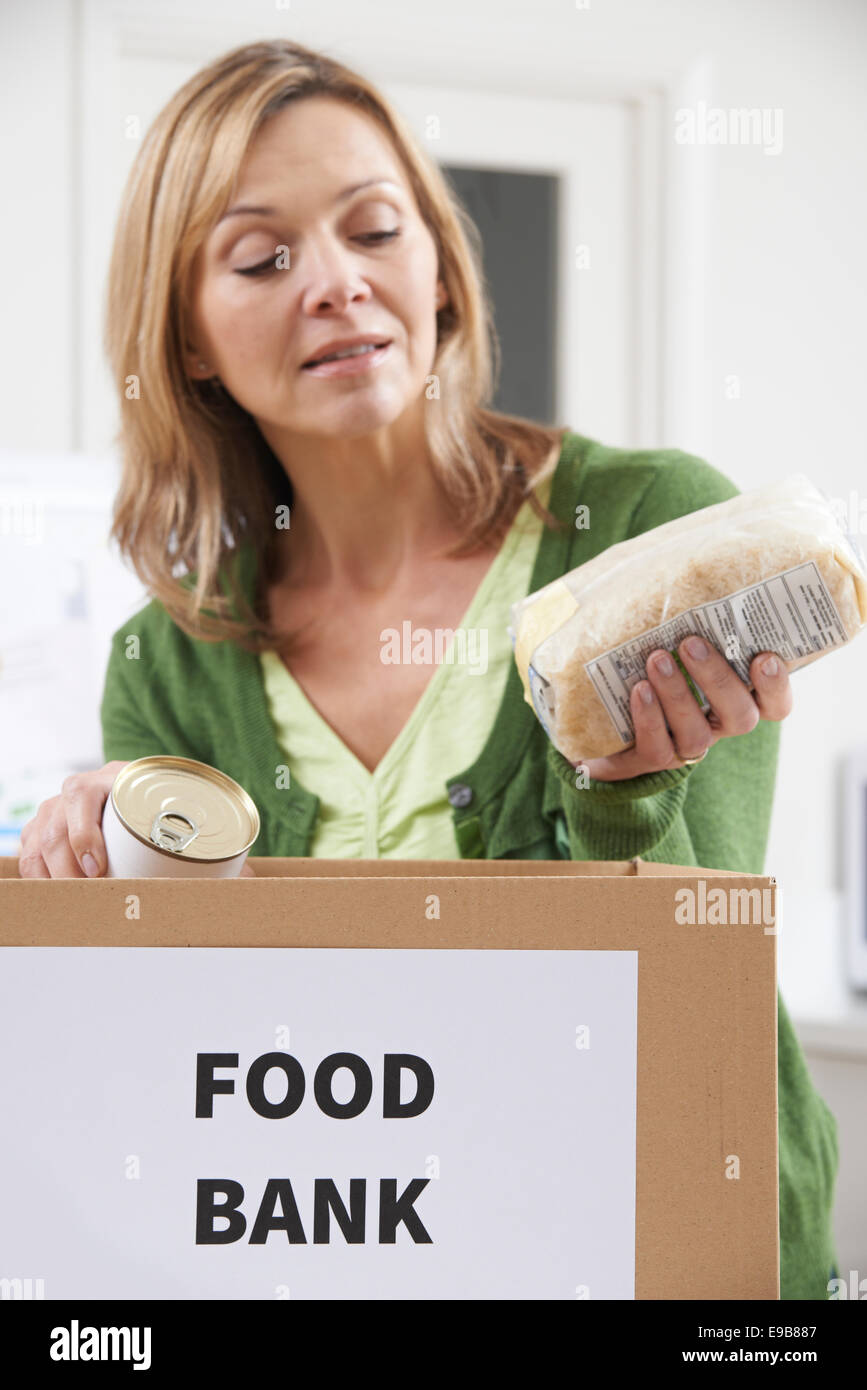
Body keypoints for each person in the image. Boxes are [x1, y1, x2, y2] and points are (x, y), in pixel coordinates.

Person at [17, 38, 838, 1299]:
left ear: (443, 273)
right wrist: (89, 875)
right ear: (185, 337)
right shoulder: (171, 660)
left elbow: (689, 1035)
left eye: (375, 229)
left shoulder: (653, 529)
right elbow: (180, 1079)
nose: (337, 283)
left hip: (663, 1274)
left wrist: (622, 794)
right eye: (263, 256)